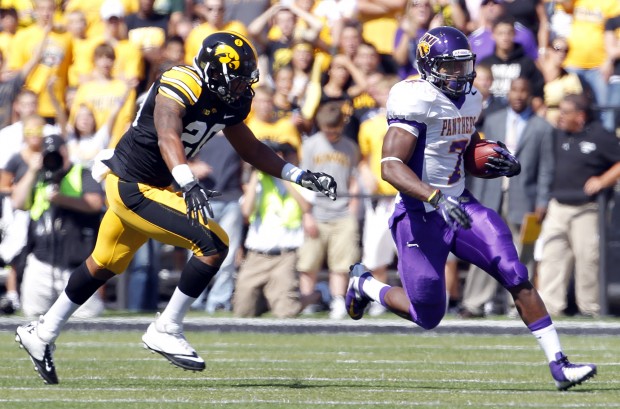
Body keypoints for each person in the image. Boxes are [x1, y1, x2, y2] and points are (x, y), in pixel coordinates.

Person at [15, 31, 337, 385]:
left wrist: (298, 175)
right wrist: (187, 181)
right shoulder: (181, 80)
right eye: (239, 78)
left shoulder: (230, 101)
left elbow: (252, 149)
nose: (244, 86)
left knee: (102, 264)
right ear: (215, 71)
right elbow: (168, 132)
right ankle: (166, 327)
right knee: (213, 244)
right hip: (133, 185)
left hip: (151, 186)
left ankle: (42, 332)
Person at [344, 26, 596, 391]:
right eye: (450, 67)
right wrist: (434, 197)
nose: (460, 75)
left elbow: (463, 147)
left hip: (461, 206)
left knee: (514, 271)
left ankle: (559, 363)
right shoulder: (414, 99)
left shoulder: (472, 97)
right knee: (428, 314)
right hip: (420, 214)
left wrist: (492, 160)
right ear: (429, 67)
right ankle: (365, 284)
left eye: (464, 65)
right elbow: (390, 167)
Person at [459, 77, 554, 318]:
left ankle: (519, 306)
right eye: (515, 90)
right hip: (491, 195)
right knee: (485, 248)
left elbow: (546, 168)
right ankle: (474, 303)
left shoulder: (542, 127)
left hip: (525, 199)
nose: (519, 95)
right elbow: (477, 162)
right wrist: (476, 198)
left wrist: (542, 201)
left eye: (524, 90)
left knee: (524, 254)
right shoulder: (493, 120)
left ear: (531, 95)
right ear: (508, 93)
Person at [537, 93, 620, 317]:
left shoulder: (601, 136)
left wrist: (603, 180)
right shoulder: (557, 134)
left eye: (565, 112)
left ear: (580, 116)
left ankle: (590, 309)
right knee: (552, 256)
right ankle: (551, 308)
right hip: (558, 205)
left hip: (588, 208)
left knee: (587, 259)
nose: (560, 117)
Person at [11, 134, 105, 319]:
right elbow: (18, 202)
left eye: (58, 152)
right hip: (41, 261)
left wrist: (62, 199)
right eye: (49, 153)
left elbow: (95, 203)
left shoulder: (81, 172)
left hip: (77, 263)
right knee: (32, 316)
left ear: (66, 151)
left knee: (88, 317)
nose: (53, 157)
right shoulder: (36, 175)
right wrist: (31, 171)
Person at [233, 141, 315, 318]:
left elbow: (306, 205)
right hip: (256, 256)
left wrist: (283, 175)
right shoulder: (258, 181)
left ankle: (309, 298)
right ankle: (268, 300)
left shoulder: (298, 179)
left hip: (285, 256)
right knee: (242, 312)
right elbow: (246, 211)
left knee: (286, 314)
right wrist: (256, 173)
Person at [297, 101, 360, 319]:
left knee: (341, 263)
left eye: (335, 131)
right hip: (316, 211)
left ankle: (337, 301)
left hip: (342, 212)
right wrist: (306, 214)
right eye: (327, 130)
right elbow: (302, 182)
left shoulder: (350, 146)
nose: (331, 135)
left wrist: (353, 207)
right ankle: (307, 301)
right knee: (308, 262)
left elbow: (353, 179)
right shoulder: (311, 145)